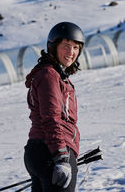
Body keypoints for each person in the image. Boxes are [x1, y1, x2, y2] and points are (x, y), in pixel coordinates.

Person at [24, 22, 85, 192]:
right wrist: (61, 156)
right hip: (51, 151)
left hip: (42, 150)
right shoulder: (49, 75)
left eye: (75, 48)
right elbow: (51, 118)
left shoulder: (53, 74)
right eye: (66, 46)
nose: (71, 52)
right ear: (53, 47)